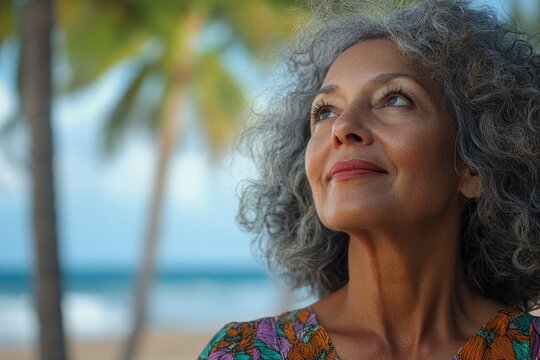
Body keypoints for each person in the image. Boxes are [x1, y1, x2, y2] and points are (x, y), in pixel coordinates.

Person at [199, 0, 540, 358]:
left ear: (474, 165)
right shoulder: (243, 352)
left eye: (394, 99)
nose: (343, 127)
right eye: (325, 111)